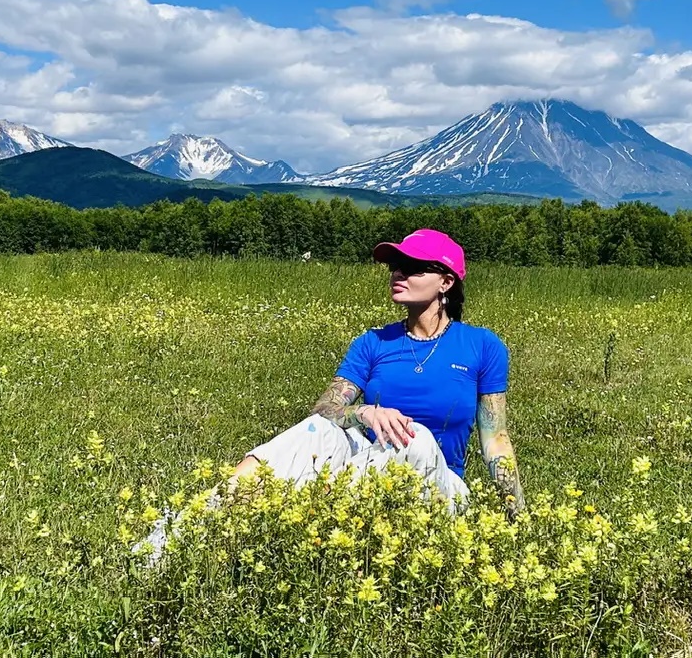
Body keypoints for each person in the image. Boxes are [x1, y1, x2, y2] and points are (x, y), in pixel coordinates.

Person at [138, 229, 525, 564]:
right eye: (395, 265)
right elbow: (327, 408)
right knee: (314, 430)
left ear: (446, 282)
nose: (398, 273)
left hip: (439, 487)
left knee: (416, 438)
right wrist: (366, 414)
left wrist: (516, 520)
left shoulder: (481, 346)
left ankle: (295, 521)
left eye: (412, 267)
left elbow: (496, 439)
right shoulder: (373, 342)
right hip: (364, 471)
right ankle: (172, 538)